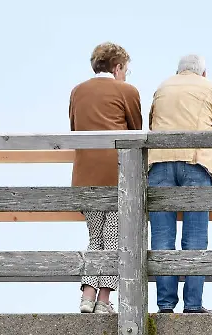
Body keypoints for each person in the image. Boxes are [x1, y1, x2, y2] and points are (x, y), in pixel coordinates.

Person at [146, 54, 212, 313]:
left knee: (161, 237)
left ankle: (165, 305)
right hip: (196, 162)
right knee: (195, 237)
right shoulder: (211, 87)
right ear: (203, 73)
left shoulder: (162, 87)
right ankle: (193, 304)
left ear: (178, 72)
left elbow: (151, 125)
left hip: (159, 163)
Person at [69, 41, 143, 314]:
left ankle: (87, 297)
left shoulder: (77, 91)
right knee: (113, 240)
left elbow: (74, 128)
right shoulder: (126, 90)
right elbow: (136, 132)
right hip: (116, 174)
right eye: (126, 68)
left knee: (94, 238)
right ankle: (103, 301)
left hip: (85, 174)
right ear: (118, 66)